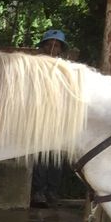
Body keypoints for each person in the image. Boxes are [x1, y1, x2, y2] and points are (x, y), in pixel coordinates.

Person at [30, 28, 68, 207]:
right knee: (40, 156)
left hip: (59, 117)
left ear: (61, 48)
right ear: (43, 47)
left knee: (57, 157)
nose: (52, 48)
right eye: (49, 44)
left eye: (56, 45)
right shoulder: (36, 65)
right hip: (39, 115)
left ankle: (52, 192)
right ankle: (38, 192)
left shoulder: (65, 68)